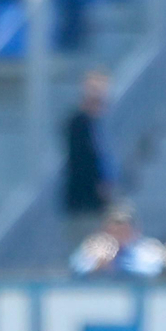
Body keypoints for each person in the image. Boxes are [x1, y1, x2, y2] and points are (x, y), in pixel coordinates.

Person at [62, 69, 112, 248]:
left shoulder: (98, 124)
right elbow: (82, 163)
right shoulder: (78, 123)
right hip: (84, 203)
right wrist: (99, 186)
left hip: (98, 204)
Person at [69, 202, 163, 277]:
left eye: (123, 232)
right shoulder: (90, 249)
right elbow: (76, 270)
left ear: (136, 232)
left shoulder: (147, 250)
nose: (117, 238)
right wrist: (99, 264)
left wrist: (116, 266)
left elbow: (152, 271)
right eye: (112, 232)